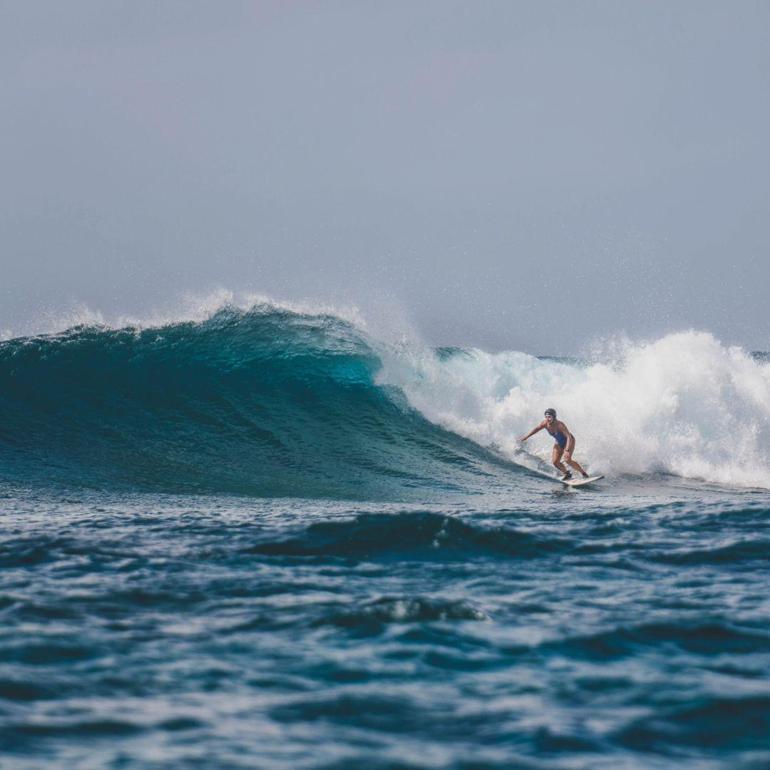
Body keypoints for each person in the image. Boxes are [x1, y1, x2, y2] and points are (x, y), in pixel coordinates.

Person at [519, 408, 589, 480]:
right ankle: (567, 474)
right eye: (546, 417)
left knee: (567, 459)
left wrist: (567, 450)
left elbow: (568, 437)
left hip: (569, 441)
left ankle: (583, 473)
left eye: (549, 417)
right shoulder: (545, 423)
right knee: (555, 462)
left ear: (554, 416)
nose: (547, 419)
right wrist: (526, 437)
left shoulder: (559, 425)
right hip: (559, 442)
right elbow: (536, 429)